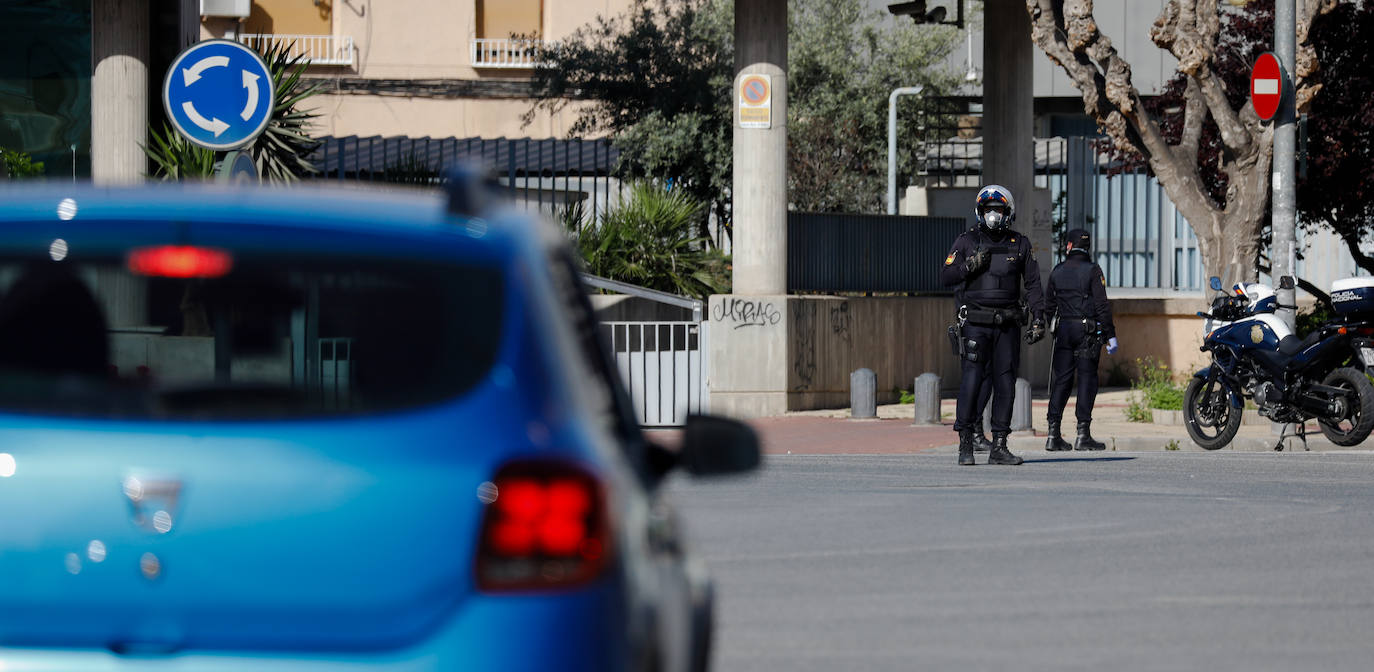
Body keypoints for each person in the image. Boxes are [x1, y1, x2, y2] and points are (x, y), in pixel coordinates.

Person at [941, 184, 1046, 466]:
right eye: (988, 210)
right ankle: (965, 442)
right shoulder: (966, 241)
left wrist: (1039, 318)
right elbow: (946, 275)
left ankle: (999, 444)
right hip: (976, 323)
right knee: (972, 381)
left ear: (1008, 212)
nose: (993, 215)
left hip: (1008, 325)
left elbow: (1034, 285)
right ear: (980, 211)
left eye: (998, 209)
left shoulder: (1020, 243)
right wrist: (969, 266)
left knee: (1005, 384)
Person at [1044, 229, 1118, 451]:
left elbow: (1049, 306)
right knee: (1087, 381)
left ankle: (1052, 434)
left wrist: (1054, 327)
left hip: (1064, 330)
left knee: (1062, 381)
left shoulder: (1057, 271)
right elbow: (1102, 305)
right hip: (1087, 332)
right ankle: (1083, 434)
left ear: (1068, 246)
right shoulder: (1093, 270)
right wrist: (1110, 334)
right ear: (1087, 248)